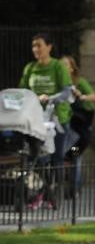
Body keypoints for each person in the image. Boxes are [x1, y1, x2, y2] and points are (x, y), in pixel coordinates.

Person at [21, 33, 73, 207]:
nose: (36, 49)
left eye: (39, 45)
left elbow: (67, 92)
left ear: (49, 47)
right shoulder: (30, 68)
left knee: (57, 158)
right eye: (33, 45)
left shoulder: (58, 66)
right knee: (39, 159)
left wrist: (49, 98)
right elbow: (23, 93)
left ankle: (53, 194)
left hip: (58, 119)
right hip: (36, 121)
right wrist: (34, 98)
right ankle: (43, 193)